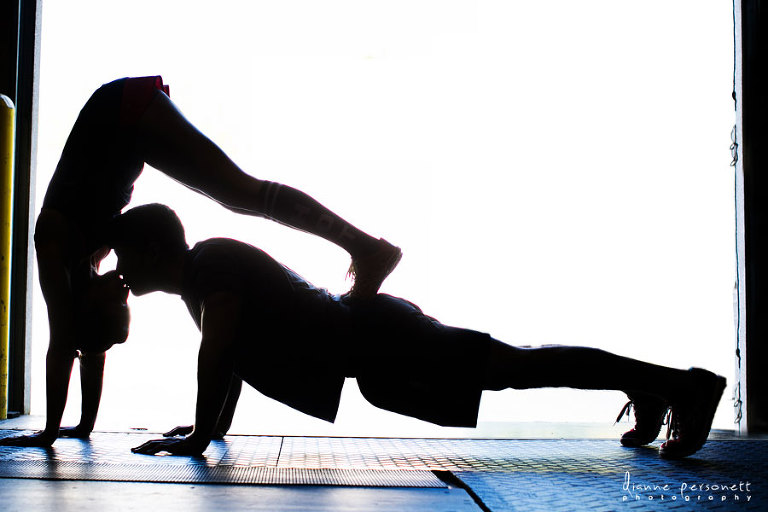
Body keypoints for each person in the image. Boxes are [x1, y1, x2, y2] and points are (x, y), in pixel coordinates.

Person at [5, 204, 723, 459]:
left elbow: (218, 353)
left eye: (128, 258)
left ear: (161, 250)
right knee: (514, 367)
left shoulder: (208, 267)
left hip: (385, 337)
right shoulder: (205, 278)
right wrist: (205, 429)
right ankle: (650, 386)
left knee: (516, 365)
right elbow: (226, 362)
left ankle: (677, 384)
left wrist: (198, 435)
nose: (121, 271)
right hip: (376, 348)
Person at [14, 76, 401, 448]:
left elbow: (64, 342)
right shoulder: (92, 265)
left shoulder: (53, 246)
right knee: (237, 194)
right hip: (127, 130)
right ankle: (366, 248)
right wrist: (83, 425)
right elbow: (90, 345)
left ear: (82, 303)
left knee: (239, 192)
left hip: (120, 113)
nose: (123, 287)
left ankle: (367, 248)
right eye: (124, 299)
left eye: (116, 298)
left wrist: (49, 432)